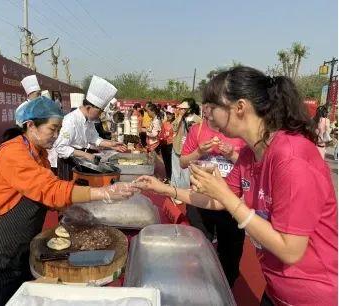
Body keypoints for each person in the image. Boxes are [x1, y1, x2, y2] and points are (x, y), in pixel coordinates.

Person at [135, 66, 338, 306]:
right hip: (276, 289)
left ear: (240, 107)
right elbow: (219, 200)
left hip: (313, 295)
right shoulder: (249, 155)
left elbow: (290, 250)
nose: (207, 115)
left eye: (213, 107)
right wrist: (167, 190)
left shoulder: (291, 158)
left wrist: (225, 195)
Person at [0, 96, 137, 306]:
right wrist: (104, 192)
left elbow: (46, 192)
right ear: (30, 125)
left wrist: (69, 209)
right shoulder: (13, 153)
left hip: (19, 246)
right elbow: (51, 189)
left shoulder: (38, 154)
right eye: (52, 129)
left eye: (59, 130)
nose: (56, 137)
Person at [179, 101, 246, 287]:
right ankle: (198, 285)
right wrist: (199, 151)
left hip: (230, 202)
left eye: (212, 107)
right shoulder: (197, 130)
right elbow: (183, 162)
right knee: (198, 246)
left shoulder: (238, 131)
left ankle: (225, 287)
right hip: (199, 198)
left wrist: (232, 154)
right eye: (206, 106)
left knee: (230, 253)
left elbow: (250, 165)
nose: (207, 111)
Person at [48, 75, 127, 180]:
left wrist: (112, 145)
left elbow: (94, 138)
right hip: (69, 163)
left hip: (81, 161)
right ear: (89, 108)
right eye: (99, 112)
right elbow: (60, 147)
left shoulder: (89, 120)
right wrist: (86, 155)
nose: (100, 116)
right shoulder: (71, 120)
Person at [171, 98, 202, 190]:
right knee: (175, 171)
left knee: (186, 173)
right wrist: (180, 116)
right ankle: (175, 191)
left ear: (190, 109)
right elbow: (174, 128)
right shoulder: (180, 118)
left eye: (184, 109)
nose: (181, 110)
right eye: (181, 109)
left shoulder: (198, 120)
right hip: (177, 147)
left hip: (189, 151)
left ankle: (184, 192)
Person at [159, 110, 175, 183]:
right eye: (167, 114)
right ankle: (168, 177)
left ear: (173, 115)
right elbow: (161, 134)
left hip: (171, 145)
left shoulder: (176, 124)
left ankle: (172, 178)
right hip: (164, 145)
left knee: (171, 162)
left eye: (170, 114)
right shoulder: (164, 123)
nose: (168, 116)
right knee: (166, 162)